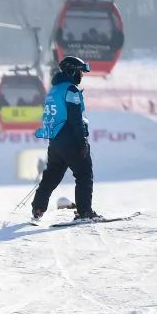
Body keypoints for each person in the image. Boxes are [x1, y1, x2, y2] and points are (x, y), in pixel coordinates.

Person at [31, 56, 101, 222]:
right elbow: (75, 117)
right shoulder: (71, 90)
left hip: (55, 141)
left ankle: (38, 207)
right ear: (72, 71)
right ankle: (84, 212)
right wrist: (82, 141)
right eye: (79, 72)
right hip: (71, 139)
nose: (81, 76)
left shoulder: (53, 91)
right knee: (84, 174)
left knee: (52, 175)